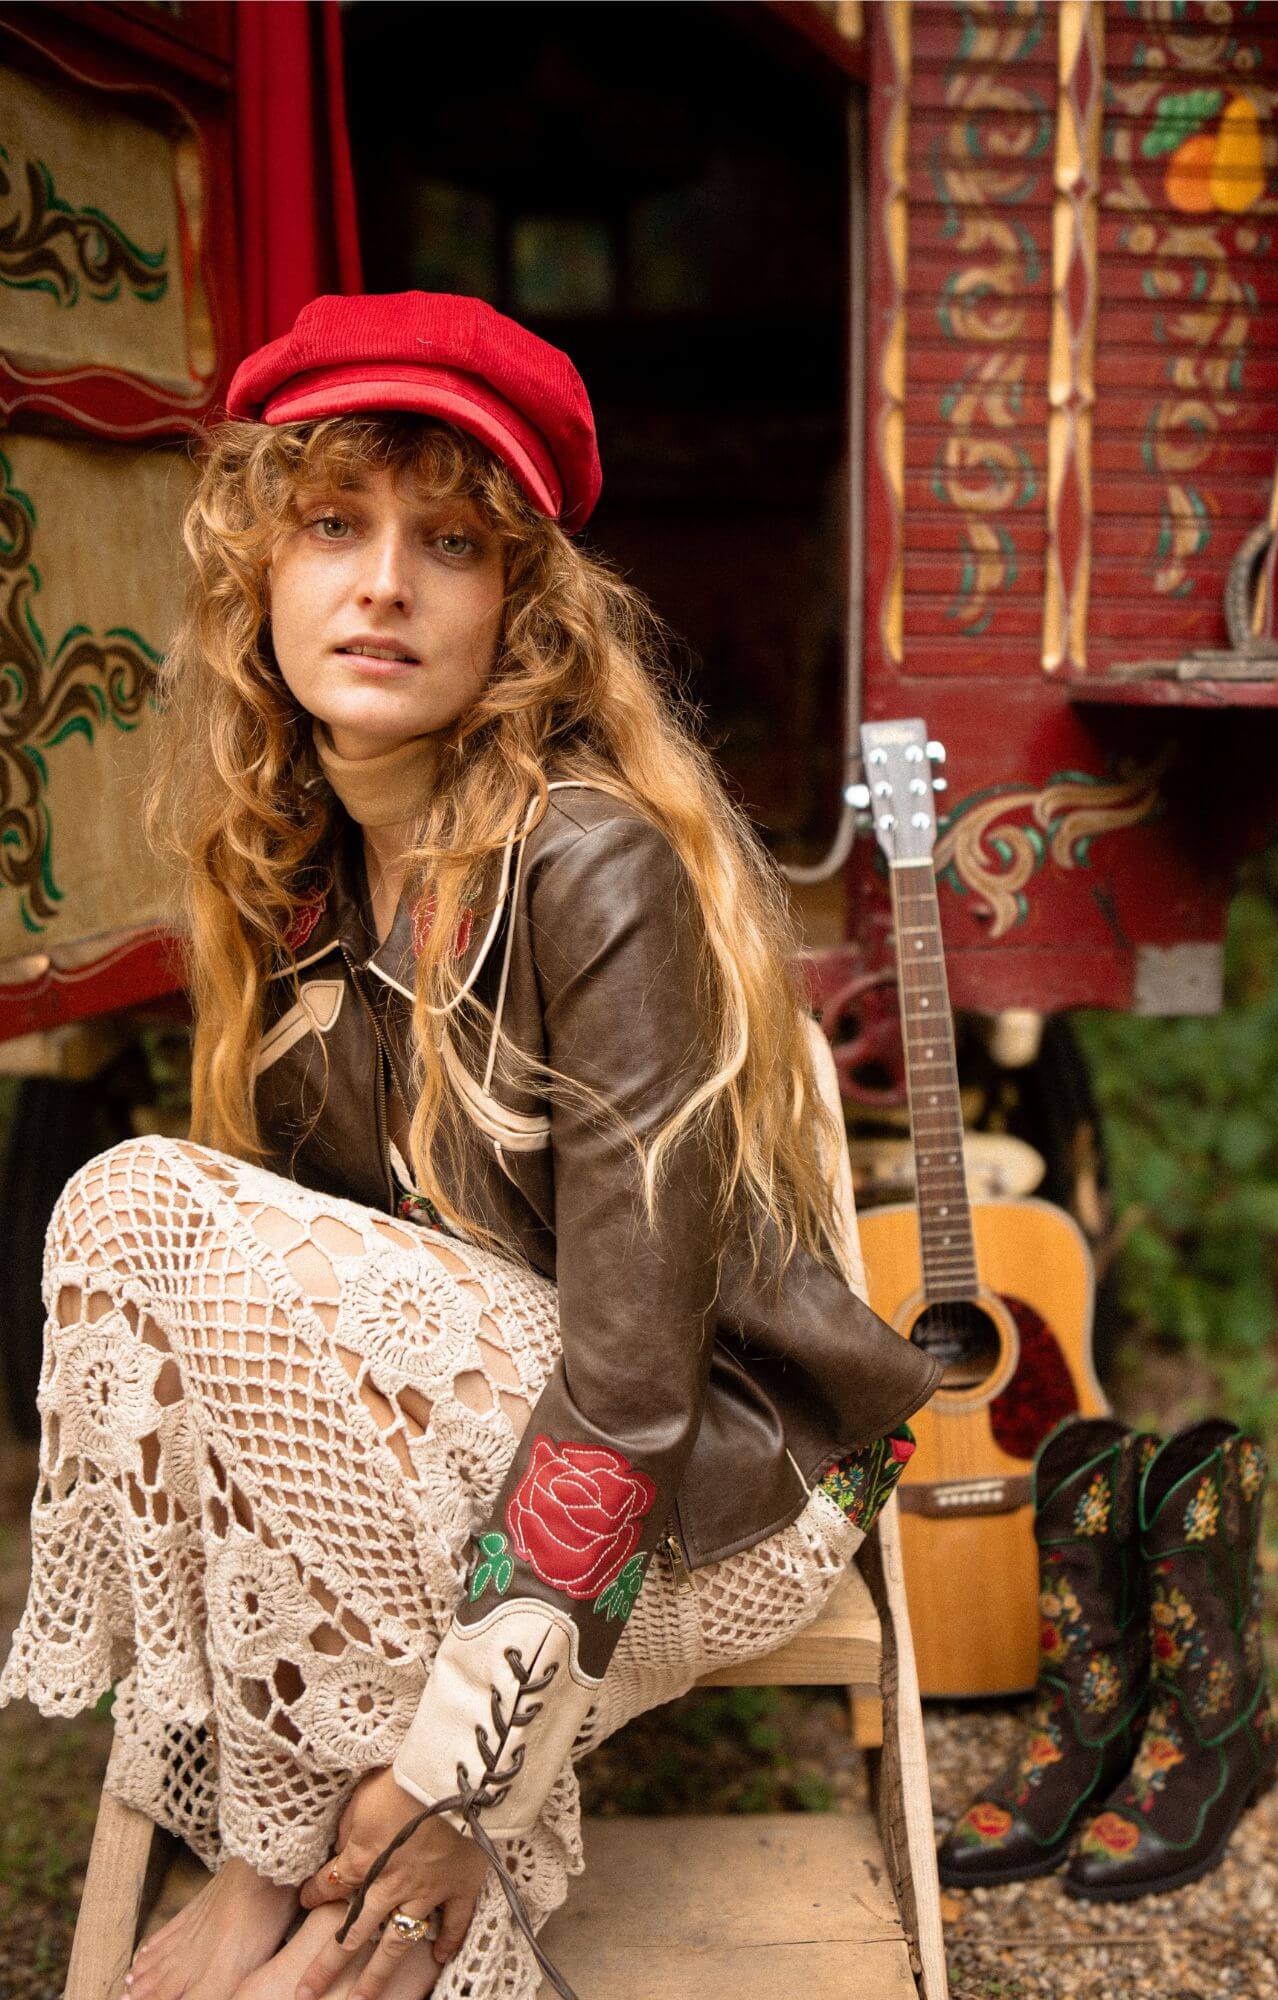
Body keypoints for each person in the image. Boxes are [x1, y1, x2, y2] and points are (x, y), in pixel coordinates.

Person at [0, 291, 942, 2000]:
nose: (382, 584)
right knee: (162, 1250)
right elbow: (289, 1324)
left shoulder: (593, 864)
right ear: (255, 576)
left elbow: (638, 1381)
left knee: (133, 1197)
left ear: (517, 613)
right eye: (332, 526)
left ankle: (404, 1899)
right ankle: (275, 1856)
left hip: (718, 1491)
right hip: (479, 1446)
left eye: (449, 543)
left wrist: (455, 1784)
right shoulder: (296, 871)